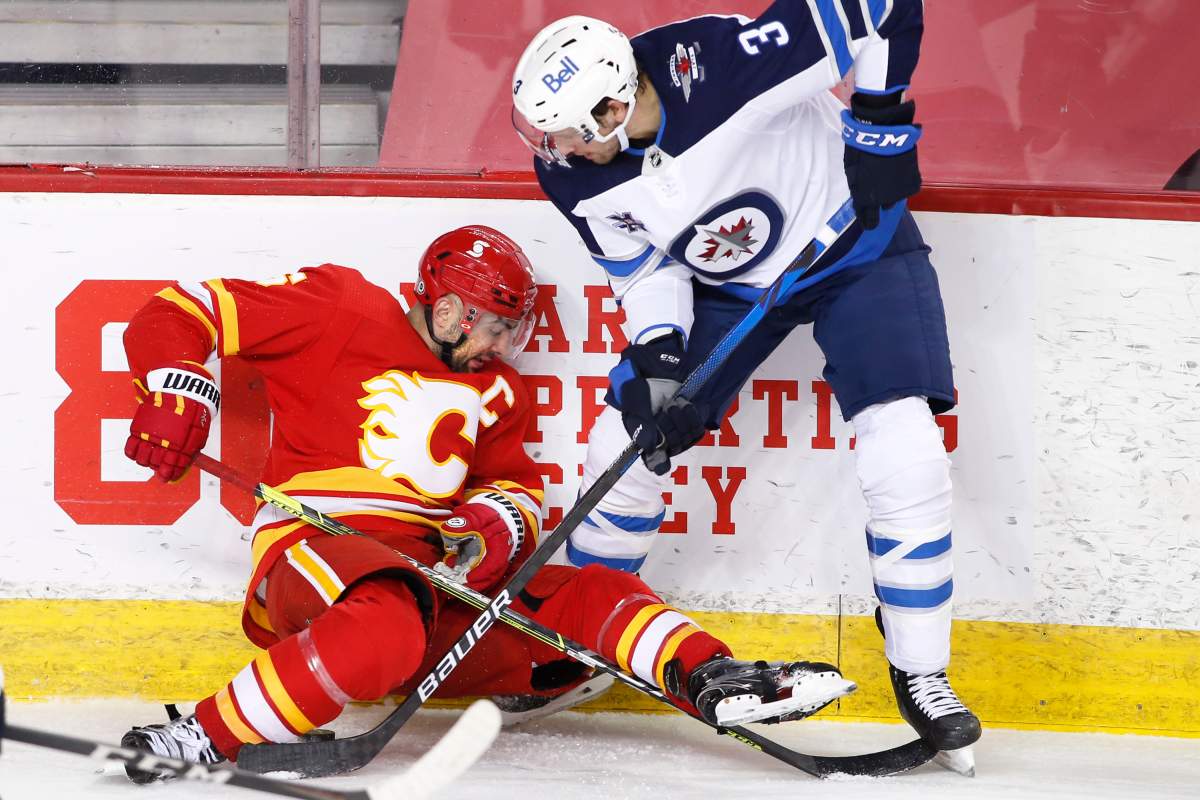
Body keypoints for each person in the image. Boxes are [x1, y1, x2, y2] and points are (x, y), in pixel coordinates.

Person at [117, 225, 854, 782]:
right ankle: (203, 734)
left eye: (511, 330)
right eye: (495, 327)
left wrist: (486, 529)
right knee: (385, 620)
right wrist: (179, 385)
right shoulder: (337, 306)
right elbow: (185, 309)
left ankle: (711, 678)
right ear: (447, 309)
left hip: (431, 585)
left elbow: (518, 493)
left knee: (595, 590)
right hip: (319, 556)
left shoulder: (496, 391)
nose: (502, 345)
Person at [511, 5, 981, 764]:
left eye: (565, 129)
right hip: (728, 288)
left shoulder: (723, 62)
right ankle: (589, 634)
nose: (554, 149)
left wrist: (880, 126)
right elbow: (640, 266)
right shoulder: (568, 171)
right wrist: (661, 354)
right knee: (624, 446)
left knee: (908, 453)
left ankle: (922, 672)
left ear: (613, 106)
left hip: (855, 241)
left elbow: (881, 7)